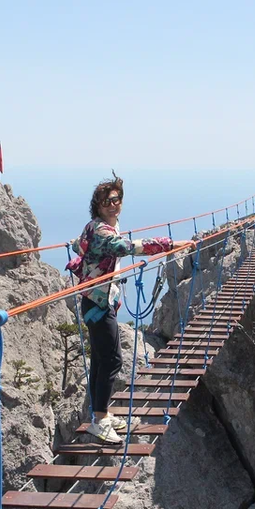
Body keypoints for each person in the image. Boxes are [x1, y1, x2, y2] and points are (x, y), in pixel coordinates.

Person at [68, 173, 172, 444]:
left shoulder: (94, 226)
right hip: (99, 303)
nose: (113, 205)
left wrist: (77, 246)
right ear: (98, 206)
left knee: (102, 360)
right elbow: (124, 247)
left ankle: (99, 414)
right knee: (112, 360)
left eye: (116, 200)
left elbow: (80, 244)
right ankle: (100, 420)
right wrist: (168, 245)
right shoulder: (103, 231)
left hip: (95, 299)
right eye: (106, 202)